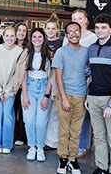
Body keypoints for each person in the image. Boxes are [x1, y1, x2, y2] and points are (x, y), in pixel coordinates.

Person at [86, 14, 111, 174]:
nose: (100, 30)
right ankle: (101, 167)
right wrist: (87, 96)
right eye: (97, 27)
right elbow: (90, 75)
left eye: (103, 27)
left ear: (110, 30)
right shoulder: (92, 48)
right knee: (99, 136)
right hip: (93, 98)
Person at [53, 22, 89, 174]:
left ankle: (72, 159)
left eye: (76, 31)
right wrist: (64, 98)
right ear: (66, 35)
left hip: (81, 96)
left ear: (80, 33)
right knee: (64, 130)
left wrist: (87, 95)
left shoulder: (87, 51)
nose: (74, 34)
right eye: (70, 32)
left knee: (76, 131)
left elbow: (90, 74)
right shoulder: (61, 52)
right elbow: (58, 77)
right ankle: (62, 158)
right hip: (65, 96)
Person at [65, 9, 97, 157]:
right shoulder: (67, 38)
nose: (77, 21)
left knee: (83, 115)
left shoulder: (92, 38)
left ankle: (82, 145)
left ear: (86, 20)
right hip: (70, 80)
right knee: (71, 114)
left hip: (86, 80)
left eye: (80, 18)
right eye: (74, 18)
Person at [0, 27, 23, 154]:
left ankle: (7, 144)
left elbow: (17, 74)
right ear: (3, 37)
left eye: (12, 36)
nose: (9, 38)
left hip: (10, 90)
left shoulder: (20, 52)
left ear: (16, 37)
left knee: (7, 114)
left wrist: (7, 92)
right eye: (7, 36)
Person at [22, 28, 52, 161]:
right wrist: (25, 95)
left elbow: (52, 78)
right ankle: (32, 147)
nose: (37, 39)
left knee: (41, 122)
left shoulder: (50, 54)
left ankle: (40, 147)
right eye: (34, 37)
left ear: (44, 38)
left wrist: (46, 96)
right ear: (31, 38)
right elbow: (22, 76)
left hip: (44, 88)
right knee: (29, 121)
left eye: (40, 37)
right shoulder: (26, 54)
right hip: (29, 87)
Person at [44, 13, 63, 150]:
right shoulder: (40, 41)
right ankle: (42, 138)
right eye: (48, 28)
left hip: (56, 81)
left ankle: (52, 142)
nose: (50, 31)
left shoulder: (62, 43)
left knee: (55, 113)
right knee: (44, 112)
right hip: (41, 81)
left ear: (57, 30)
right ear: (44, 29)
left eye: (53, 28)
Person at [13, 22, 29, 146]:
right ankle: (12, 134)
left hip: (23, 84)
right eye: (19, 30)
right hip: (11, 84)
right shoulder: (10, 45)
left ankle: (22, 136)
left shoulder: (29, 48)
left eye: (24, 31)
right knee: (12, 111)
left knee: (23, 112)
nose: (21, 33)